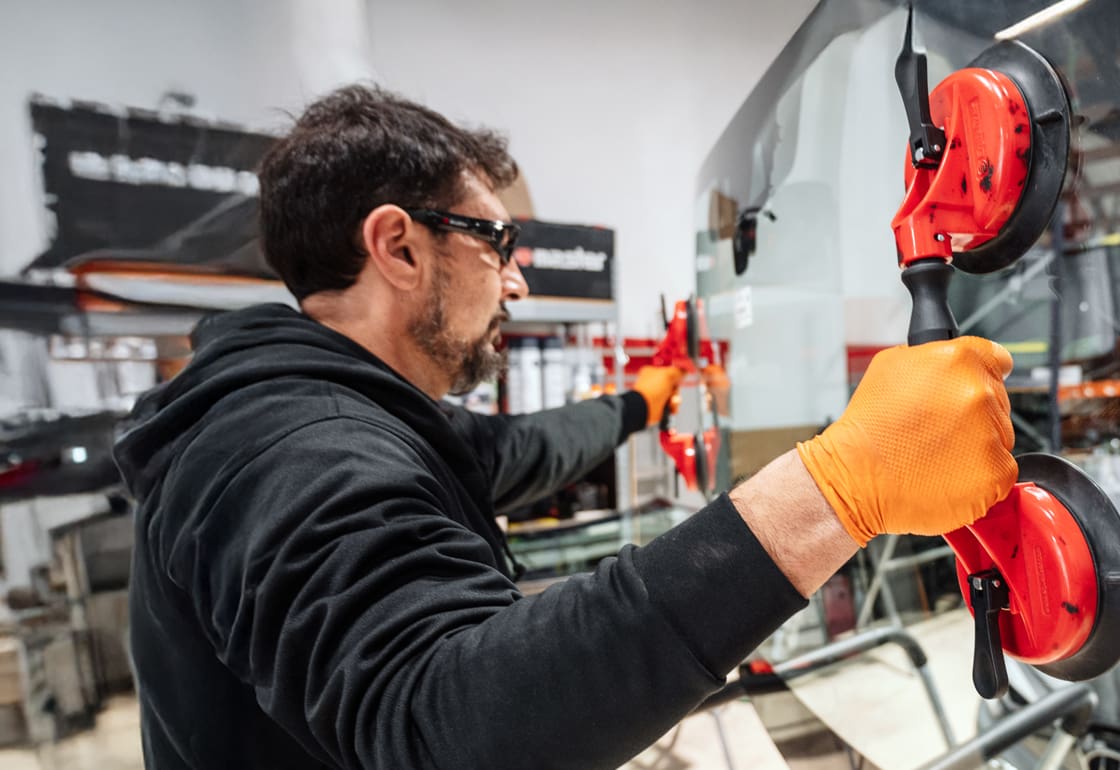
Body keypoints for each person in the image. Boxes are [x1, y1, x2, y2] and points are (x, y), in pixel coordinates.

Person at [114, 85, 1017, 770]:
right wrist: (840, 488)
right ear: (398, 247)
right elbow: (443, 723)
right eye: (496, 242)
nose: (516, 281)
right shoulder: (292, 444)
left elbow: (514, 452)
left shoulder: (347, 409)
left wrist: (640, 403)